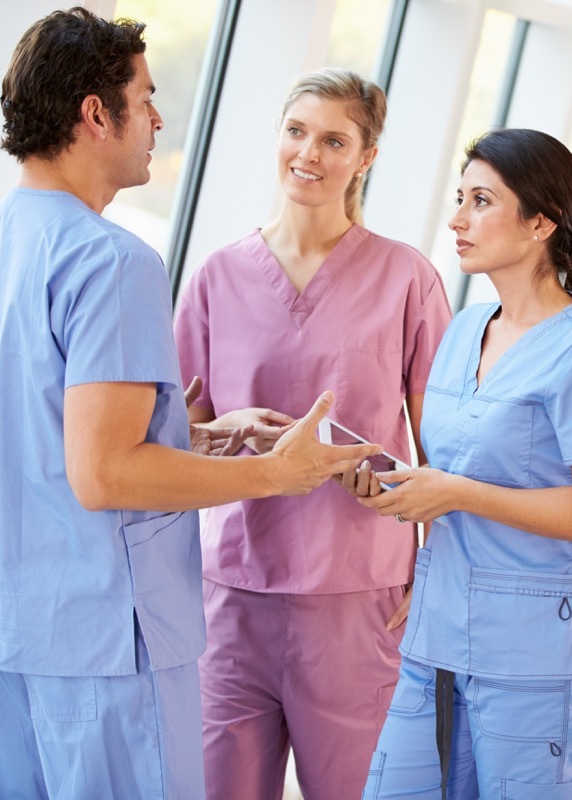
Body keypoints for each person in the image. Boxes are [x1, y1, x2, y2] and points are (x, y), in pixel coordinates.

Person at [0, 10, 380, 799]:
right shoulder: (111, 260)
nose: (158, 118)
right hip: (107, 643)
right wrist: (278, 475)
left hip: (9, 628)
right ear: (95, 114)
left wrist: (196, 434)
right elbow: (105, 474)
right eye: (144, 99)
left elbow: (46, 436)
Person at [172, 67, 451, 799]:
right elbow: (175, 437)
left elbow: (445, 445)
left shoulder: (407, 280)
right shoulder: (218, 277)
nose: (309, 153)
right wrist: (219, 432)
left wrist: (439, 565)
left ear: (366, 159)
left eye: (334, 140)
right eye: (297, 131)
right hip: (233, 593)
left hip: (360, 596)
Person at [357, 128, 572, 798]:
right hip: (437, 642)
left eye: (481, 201)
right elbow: (452, 467)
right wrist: (394, 485)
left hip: (536, 660)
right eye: (460, 198)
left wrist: (453, 491)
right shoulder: (462, 332)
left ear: (541, 222)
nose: (457, 219)